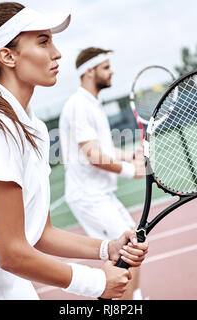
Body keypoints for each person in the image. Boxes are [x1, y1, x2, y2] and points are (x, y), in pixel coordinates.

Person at [0, 2, 148, 300]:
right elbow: (12, 253)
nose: (57, 52)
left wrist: (107, 248)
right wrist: (95, 282)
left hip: (8, 284)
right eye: (43, 41)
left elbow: (39, 233)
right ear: (7, 56)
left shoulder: (31, 127)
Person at [59, 47, 147, 300]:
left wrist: (130, 155)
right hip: (88, 196)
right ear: (89, 71)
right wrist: (133, 171)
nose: (112, 71)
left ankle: (133, 299)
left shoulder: (91, 104)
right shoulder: (79, 105)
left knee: (133, 246)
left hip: (101, 194)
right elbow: (93, 155)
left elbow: (105, 150)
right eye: (106, 67)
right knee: (126, 251)